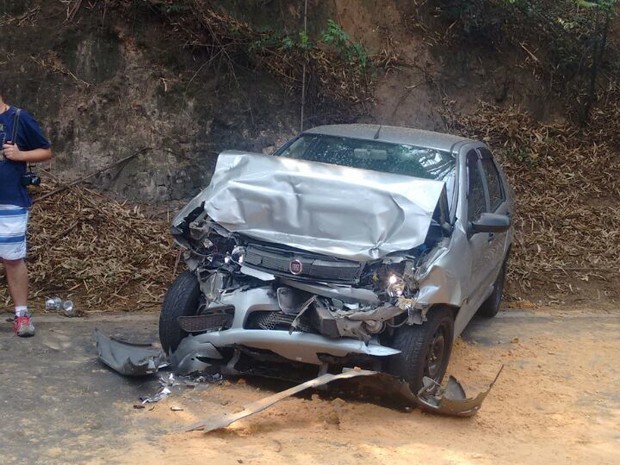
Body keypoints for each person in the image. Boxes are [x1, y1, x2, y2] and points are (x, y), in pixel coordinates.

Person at [0, 91, 52, 337]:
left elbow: (45, 150)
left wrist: (20, 155)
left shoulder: (19, 118)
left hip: (10, 202)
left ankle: (21, 315)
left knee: (12, 258)